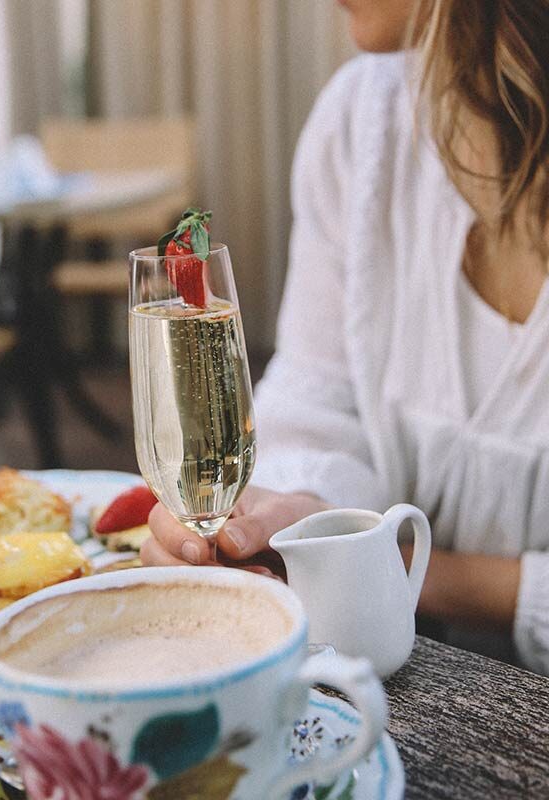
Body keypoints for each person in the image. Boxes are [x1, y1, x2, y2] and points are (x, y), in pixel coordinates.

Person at [141, 0, 549, 676]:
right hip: (396, 683)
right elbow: (319, 401)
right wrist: (287, 518)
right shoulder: (362, 125)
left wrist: (380, 562)